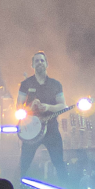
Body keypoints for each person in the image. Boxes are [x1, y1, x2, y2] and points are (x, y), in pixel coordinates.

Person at [18, 51, 68, 182]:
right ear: (32, 65)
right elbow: (18, 107)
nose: (39, 63)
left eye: (42, 60)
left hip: (51, 128)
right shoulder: (26, 84)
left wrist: (47, 107)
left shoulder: (56, 84)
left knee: (59, 163)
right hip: (31, 129)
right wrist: (30, 108)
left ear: (47, 64)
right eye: (37, 61)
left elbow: (63, 105)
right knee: (24, 165)